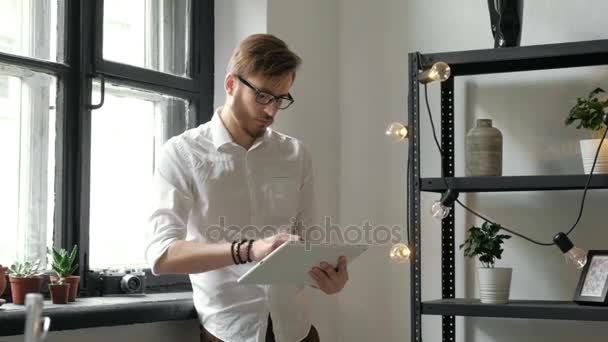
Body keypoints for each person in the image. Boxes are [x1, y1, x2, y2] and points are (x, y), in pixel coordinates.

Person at [145, 34, 349, 342]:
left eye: (281, 99)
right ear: (231, 85)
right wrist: (250, 250)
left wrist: (326, 278)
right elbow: (161, 255)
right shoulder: (182, 153)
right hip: (229, 332)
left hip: (298, 331)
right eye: (263, 96)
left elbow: (308, 243)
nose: (272, 111)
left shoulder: (296, 154)